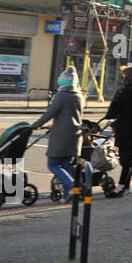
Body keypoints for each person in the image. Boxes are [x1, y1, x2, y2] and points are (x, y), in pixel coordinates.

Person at [31, 66, 84, 202]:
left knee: (53, 164)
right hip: (75, 136)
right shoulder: (79, 95)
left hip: (61, 136)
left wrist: (36, 125)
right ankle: (69, 195)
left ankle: (72, 185)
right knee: (66, 165)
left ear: (64, 81)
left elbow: (50, 113)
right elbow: (68, 115)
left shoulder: (61, 96)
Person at [102, 65, 132, 197]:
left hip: (126, 127)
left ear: (128, 76)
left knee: (126, 159)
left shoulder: (127, 90)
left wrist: (109, 116)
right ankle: (122, 187)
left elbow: (116, 107)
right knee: (127, 159)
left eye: (124, 76)